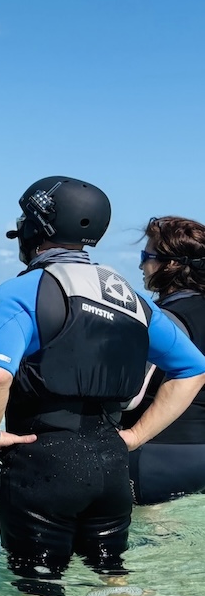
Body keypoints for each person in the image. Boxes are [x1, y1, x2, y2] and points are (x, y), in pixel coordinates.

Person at [0, 180, 205, 596]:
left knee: (40, 589)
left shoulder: (23, 290)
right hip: (111, 461)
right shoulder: (132, 298)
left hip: (43, 460)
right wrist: (134, 438)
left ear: (36, 228)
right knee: (112, 575)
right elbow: (193, 368)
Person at [124, 216, 205, 504]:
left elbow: (129, 397)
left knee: (147, 531)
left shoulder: (161, 319)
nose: (140, 266)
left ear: (170, 264)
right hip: (198, 453)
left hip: (157, 454)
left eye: (145, 257)